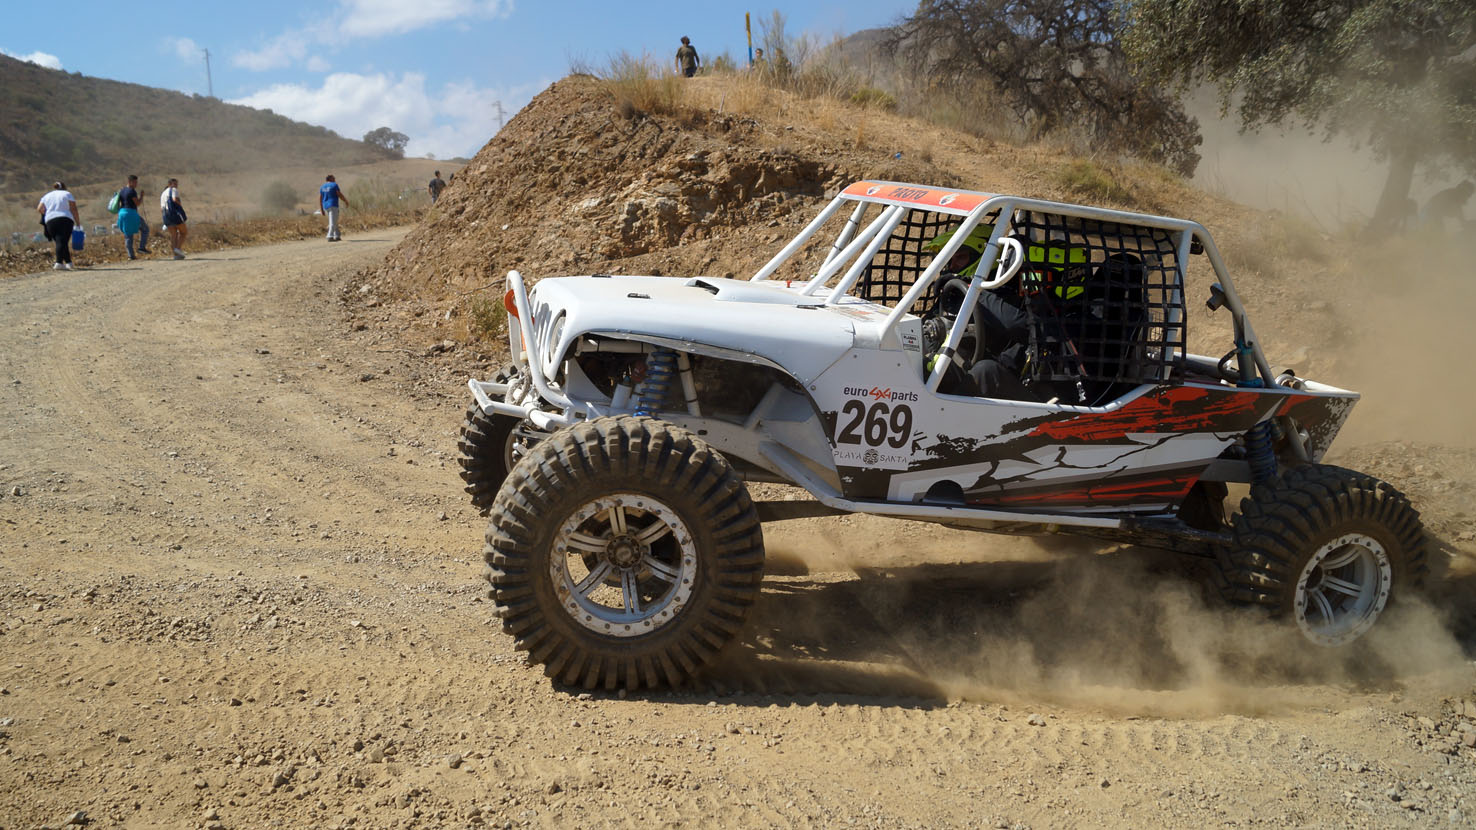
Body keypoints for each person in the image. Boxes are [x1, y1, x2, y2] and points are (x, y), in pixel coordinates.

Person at [923, 226, 1034, 400]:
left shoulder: (1007, 293)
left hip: (1010, 387)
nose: (952, 266)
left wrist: (973, 290)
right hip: (962, 370)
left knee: (986, 371)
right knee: (919, 363)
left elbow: (1021, 326)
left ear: (982, 255)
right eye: (950, 259)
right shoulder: (954, 290)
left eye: (960, 257)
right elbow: (927, 331)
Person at [36, 181, 80, 271]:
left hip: (50, 221)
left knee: (60, 241)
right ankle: (58, 262)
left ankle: (69, 262)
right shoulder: (67, 194)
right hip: (65, 219)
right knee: (62, 241)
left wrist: (48, 213)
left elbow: (39, 208)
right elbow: (73, 208)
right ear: (64, 187)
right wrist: (78, 222)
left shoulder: (46, 196)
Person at [115, 174, 151, 259]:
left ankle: (131, 256)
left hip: (122, 213)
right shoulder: (132, 191)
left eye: (136, 182)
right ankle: (141, 247)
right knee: (145, 229)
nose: (136, 184)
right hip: (131, 213)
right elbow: (137, 203)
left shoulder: (122, 190)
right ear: (129, 182)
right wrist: (141, 196)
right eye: (134, 182)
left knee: (128, 234)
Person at [160, 177, 187, 259]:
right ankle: (177, 249)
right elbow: (174, 199)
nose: (176, 186)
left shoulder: (163, 193)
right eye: (174, 184)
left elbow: (161, 208)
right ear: (169, 184)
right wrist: (180, 205)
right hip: (174, 214)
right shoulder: (173, 190)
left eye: (176, 184)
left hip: (165, 215)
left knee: (173, 235)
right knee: (184, 232)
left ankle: (176, 255)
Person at [320, 174, 349, 241]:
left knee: (334, 220)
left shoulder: (322, 187)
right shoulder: (334, 185)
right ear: (330, 179)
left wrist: (321, 209)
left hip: (326, 206)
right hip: (333, 205)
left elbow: (320, 198)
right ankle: (329, 236)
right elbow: (339, 194)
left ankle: (337, 235)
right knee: (332, 222)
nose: (335, 179)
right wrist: (345, 201)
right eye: (333, 178)